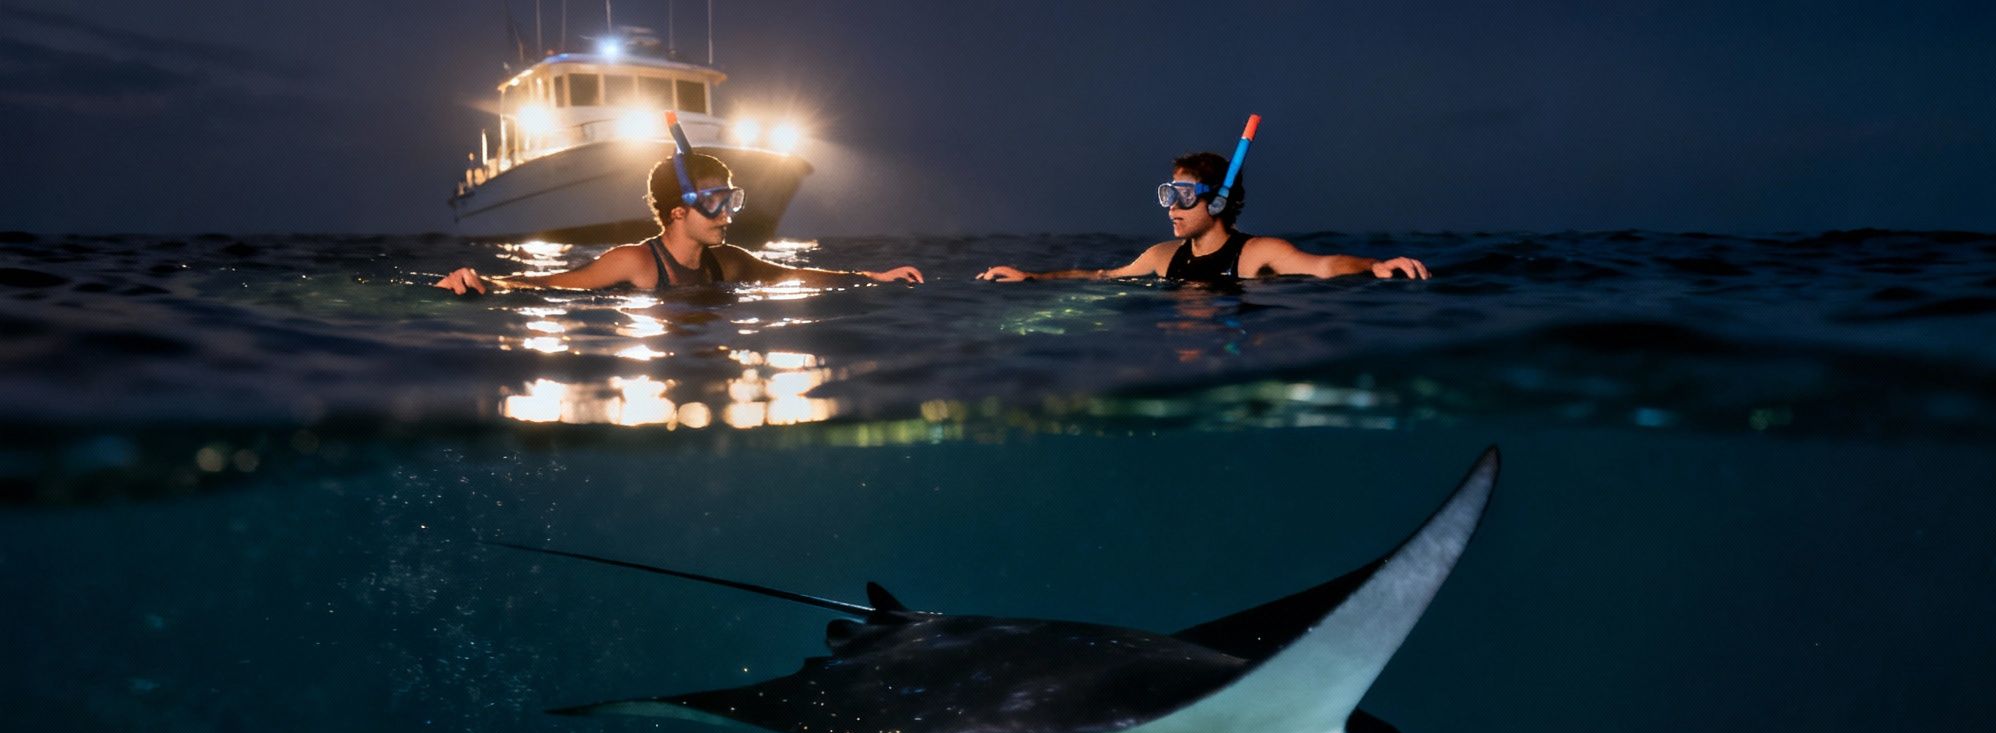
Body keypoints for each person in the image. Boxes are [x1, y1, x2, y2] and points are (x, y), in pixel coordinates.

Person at [435, 153, 922, 294]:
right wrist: (487, 282)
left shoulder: (727, 263)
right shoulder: (635, 263)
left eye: (731, 200)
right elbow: (554, 283)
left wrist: (870, 277)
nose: (727, 214)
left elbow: (786, 275)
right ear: (678, 212)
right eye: (714, 203)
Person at [976, 151, 1429, 284]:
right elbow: (1099, 275)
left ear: (1215, 201)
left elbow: (1323, 266)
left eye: (1184, 195)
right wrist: (1031, 277)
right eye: (1167, 194)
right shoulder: (1161, 255)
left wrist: (1373, 266)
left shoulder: (1256, 254)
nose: (1172, 206)